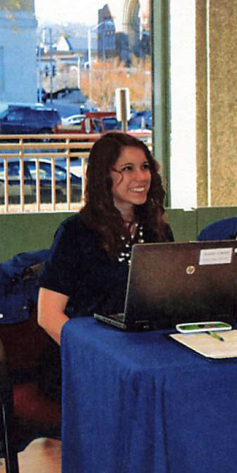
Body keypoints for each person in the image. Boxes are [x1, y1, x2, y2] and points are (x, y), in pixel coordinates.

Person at [37, 132, 174, 345]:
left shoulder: (157, 230)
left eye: (145, 167)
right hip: (94, 351)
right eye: (128, 169)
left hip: (147, 348)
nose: (141, 176)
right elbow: (48, 316)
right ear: (103, 176)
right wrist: (94, 355)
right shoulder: (75, 233)